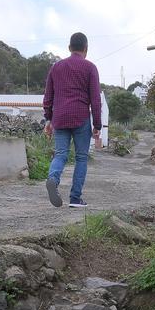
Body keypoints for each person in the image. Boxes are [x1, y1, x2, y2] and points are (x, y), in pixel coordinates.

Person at [42, 32, 103, 208]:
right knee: (81, 158)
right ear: (86, 49)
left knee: (61, 154)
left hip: (59, 118)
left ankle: (53, 178)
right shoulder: (90, 67)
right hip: (81, 117)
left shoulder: (56, 67)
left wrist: (48, 119)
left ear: (69, 48)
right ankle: (75, 199)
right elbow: (95, 99)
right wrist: (97, 124)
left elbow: (48, 96)